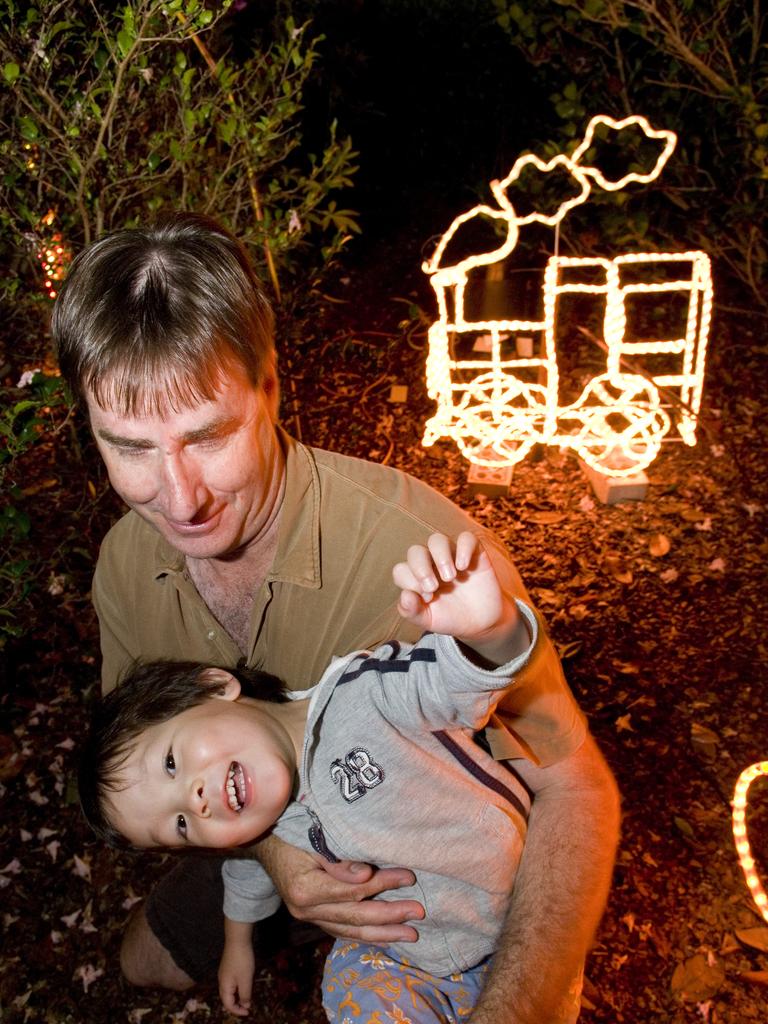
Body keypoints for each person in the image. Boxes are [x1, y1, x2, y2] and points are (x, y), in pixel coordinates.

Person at [53, 212, 619, 1023]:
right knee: (142, 963)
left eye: (208, 436)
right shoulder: (122, 564)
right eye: (131, 449)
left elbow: (576, 787)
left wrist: (515, 1008)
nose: (178, 500)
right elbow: (157, 772)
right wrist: (280, 859)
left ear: (271, 388)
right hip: (266, 822)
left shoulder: (430, 555)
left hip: (450, 881)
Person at [80, 531, 543, 1020]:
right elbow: (247, 867)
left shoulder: (364, 695)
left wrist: (489, 629)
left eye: (171, 763)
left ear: (214, 685)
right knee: (347, 990)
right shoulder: (268, 818)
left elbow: (457, 684)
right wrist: (238, 942)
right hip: (405, 958)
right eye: (179, 824)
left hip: (521, 919)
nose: (195, 801)